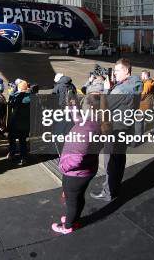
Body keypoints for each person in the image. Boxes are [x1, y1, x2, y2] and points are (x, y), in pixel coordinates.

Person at [90, 58, 142, 202]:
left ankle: (108, 192)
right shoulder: (135, 84)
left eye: (117, 71)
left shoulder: (121, 89)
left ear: (126, 71)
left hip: (115, 130)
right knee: (119, 159)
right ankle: (114, 186)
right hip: (126, 128)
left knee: (110, 161)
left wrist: (107, 90)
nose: (115, 74)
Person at [52, 92, 102, 234]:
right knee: (77, 197)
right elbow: (80, 120)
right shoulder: (96, 121)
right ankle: (72, 218)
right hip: (89, 168)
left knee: (72, 200)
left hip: (76, 173)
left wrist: (62, 166)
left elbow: (77, 158)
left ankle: (68, 226)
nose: (81, 106)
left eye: (83, 104)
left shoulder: (85, 129)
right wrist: (72, 107)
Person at [7, 80, 31, 165]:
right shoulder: (31, 97)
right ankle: (23, 158)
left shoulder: (17, 96)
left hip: (15, 123)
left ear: (19, 88)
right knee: (23, 141)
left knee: (12, 140)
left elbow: (10, 104)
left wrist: (12, 93)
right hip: (26, 124)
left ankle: (12, 154)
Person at [135, 70, 154, 139]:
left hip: (143, 106)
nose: (141, 76)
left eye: (142, 75)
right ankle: (142, 134)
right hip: (149, 104)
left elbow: (142, 96)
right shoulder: (151, 81)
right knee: (145, 121)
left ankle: (138, 137)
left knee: (138, 121)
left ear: (145, 75)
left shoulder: (147, 84)